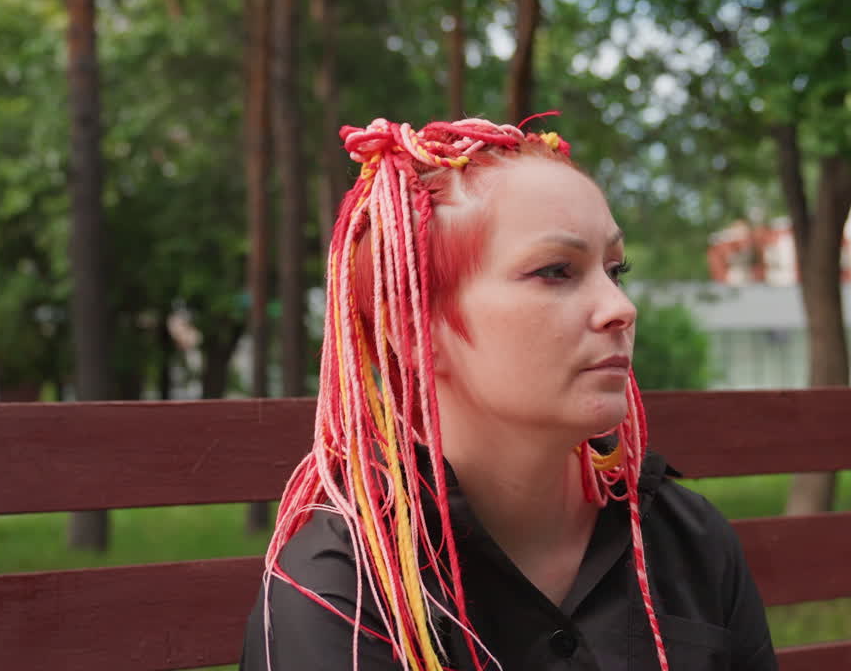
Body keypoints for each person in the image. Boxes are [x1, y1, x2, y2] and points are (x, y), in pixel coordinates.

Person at [239, 117, 778, 671]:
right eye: (556, 271)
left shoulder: (685, 540)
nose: (621, 308)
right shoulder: (342, 594)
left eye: (616, 270)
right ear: (413, 327)